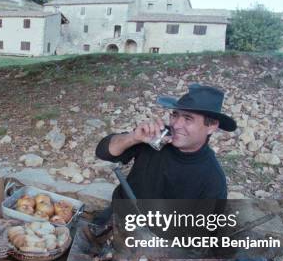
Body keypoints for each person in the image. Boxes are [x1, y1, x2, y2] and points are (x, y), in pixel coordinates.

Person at [95, 84, 237, 210]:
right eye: (175, 115)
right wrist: (133, 137)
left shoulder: (212, 179)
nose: (175, 125)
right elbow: (103, 152)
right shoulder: (156, 138)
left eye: (188, 119)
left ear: (211, 126)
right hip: (115, 220)